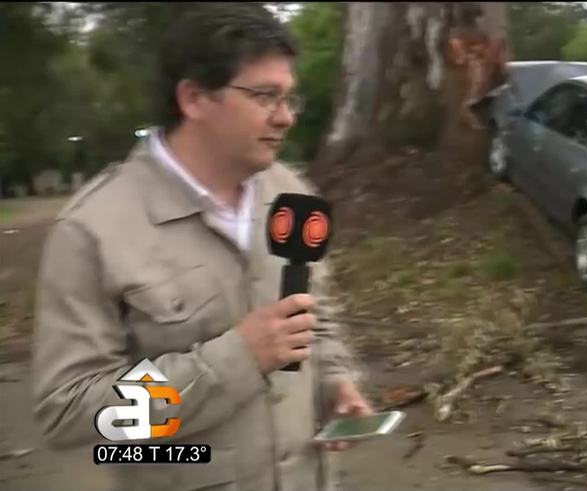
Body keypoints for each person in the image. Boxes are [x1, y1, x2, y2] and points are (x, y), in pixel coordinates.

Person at [30, 4, 370, 491]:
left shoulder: (293, 193)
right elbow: (72, 417)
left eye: (288, 98)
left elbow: (316, 312)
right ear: (193, 98)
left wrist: (334, 381)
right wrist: (235, 361)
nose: (286, 117)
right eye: (264, 96)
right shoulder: (94, 231)